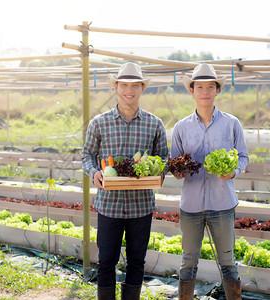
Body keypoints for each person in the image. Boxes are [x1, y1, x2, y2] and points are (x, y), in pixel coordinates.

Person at [83, 62, 168, 300]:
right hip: (109, 203)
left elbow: (163, 158)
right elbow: (87, 155)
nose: (129, 90)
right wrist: (94, 173)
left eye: (134, 85)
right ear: (116, 87)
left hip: (141, 205)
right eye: (124, 85)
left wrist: (158, 173)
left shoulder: (154, 123)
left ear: (142, 88)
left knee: (137, 261)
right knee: (106, 260)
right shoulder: (99, 123)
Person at [171, 63, 249, 300]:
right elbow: (173, 162)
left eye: (210, 87)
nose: (205, 91)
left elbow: (243, 157)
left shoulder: (231, 123)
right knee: (188, 263)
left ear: (217, 90)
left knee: (228, 262)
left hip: (222, 205)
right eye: (200, 87)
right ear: (192, 91)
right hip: (191, 207)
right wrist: (177, 171)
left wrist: (233, 171)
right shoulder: (181, 127)